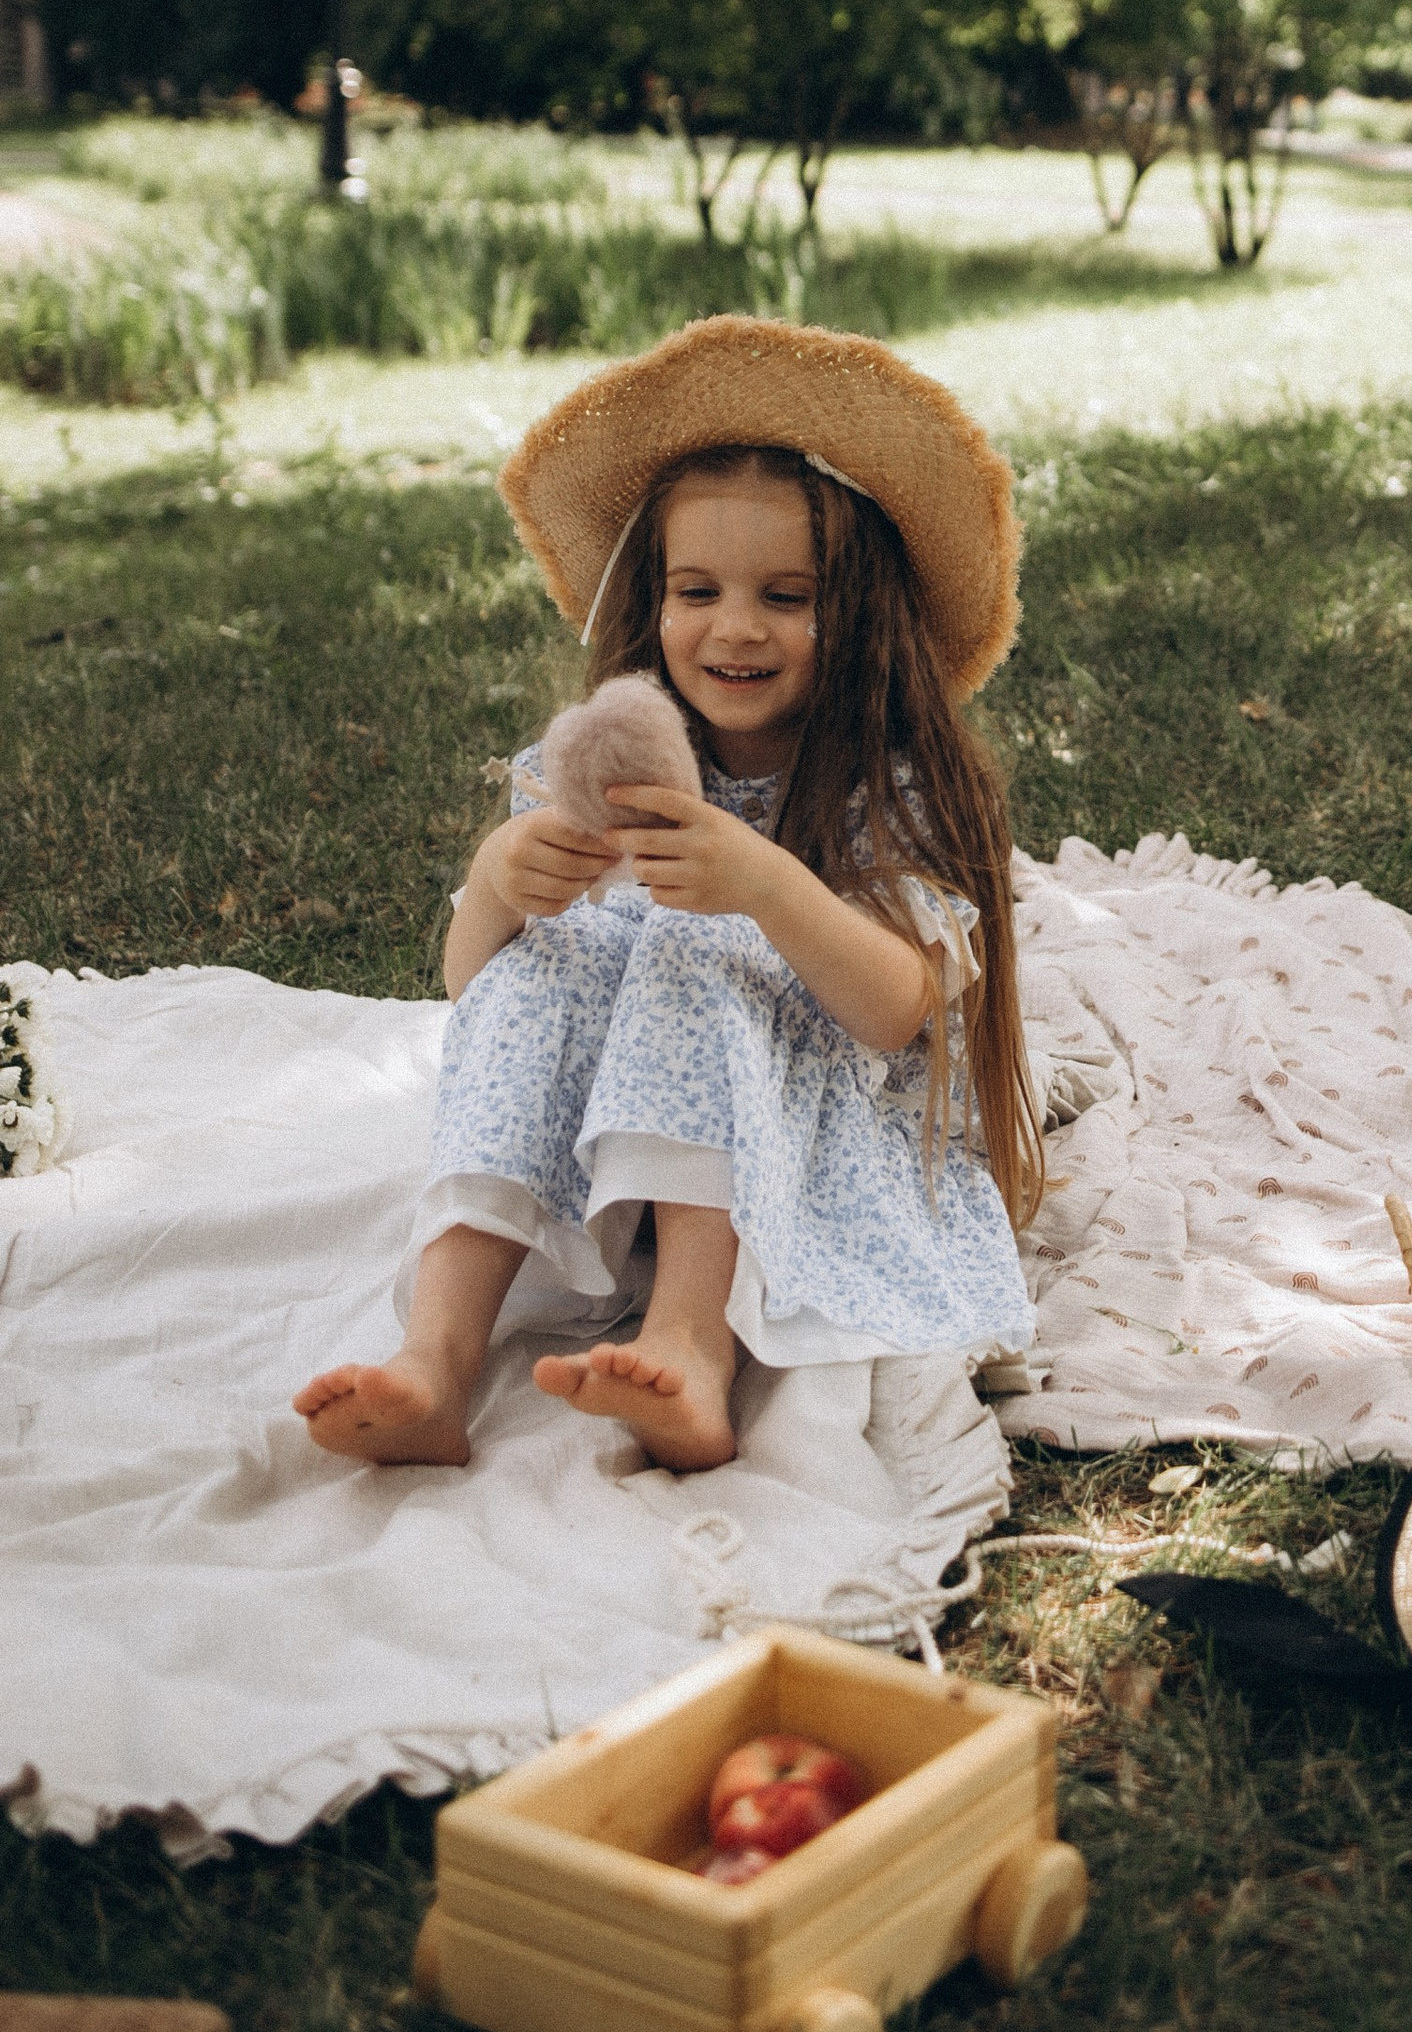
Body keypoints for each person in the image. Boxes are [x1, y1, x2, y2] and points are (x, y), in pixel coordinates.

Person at [294, 317, 1040, 1473]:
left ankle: (690, 1346)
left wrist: (764, 888)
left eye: (787, 595)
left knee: (704, 949)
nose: (735, 627)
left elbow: (898, 1006)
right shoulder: (610, 762)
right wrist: (503, 882)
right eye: (699, 589)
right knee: (542, 965)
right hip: (599, 1137)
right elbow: (470, 987)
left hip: (810, 1130)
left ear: (861, 611)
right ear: (653, 603)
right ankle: (435, 1359)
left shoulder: (882, 786)